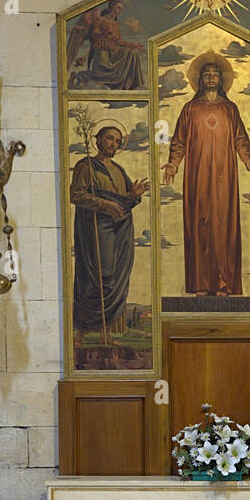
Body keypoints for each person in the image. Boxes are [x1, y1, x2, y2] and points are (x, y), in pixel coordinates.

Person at [162, 52, 250, 296]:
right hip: (197, 176)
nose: (211, 78)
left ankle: (223, 283)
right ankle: (202, 283)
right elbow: (179, 142)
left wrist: (248, 161)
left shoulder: (230, 109)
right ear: (200, 80)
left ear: (221, 79)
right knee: (200, 226)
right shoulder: (190, 109)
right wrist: (174, 163)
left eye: (215, 74)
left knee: (223, 227)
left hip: (224, 177)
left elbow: (240, 139)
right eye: (206, 75)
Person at [69, 123, 149, 341]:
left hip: (119, 230)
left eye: (117, 141)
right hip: (96, 228)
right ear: (98, 140)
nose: (113, 144)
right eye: (109, 138)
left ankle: (106, 332)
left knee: (114, 277)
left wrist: (134, 195)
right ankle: (82, 332)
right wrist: (104, 205)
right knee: (98, 276)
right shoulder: (86, 166)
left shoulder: (118, 170)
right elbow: (76, 195)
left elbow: (123, 203)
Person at [67, 0, 144, 89]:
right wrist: (104, 33)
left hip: (113, 50)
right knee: (100, 73)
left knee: (132, 53)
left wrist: (134, 45)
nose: (119, 11)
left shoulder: (115, 24)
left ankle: (131, 83)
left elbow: (119, 41)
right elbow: (94, 34)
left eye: (121, 9)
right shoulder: (100, 20)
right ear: (112, 7)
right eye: (118, 8)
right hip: (102, 49)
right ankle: (77, 75)